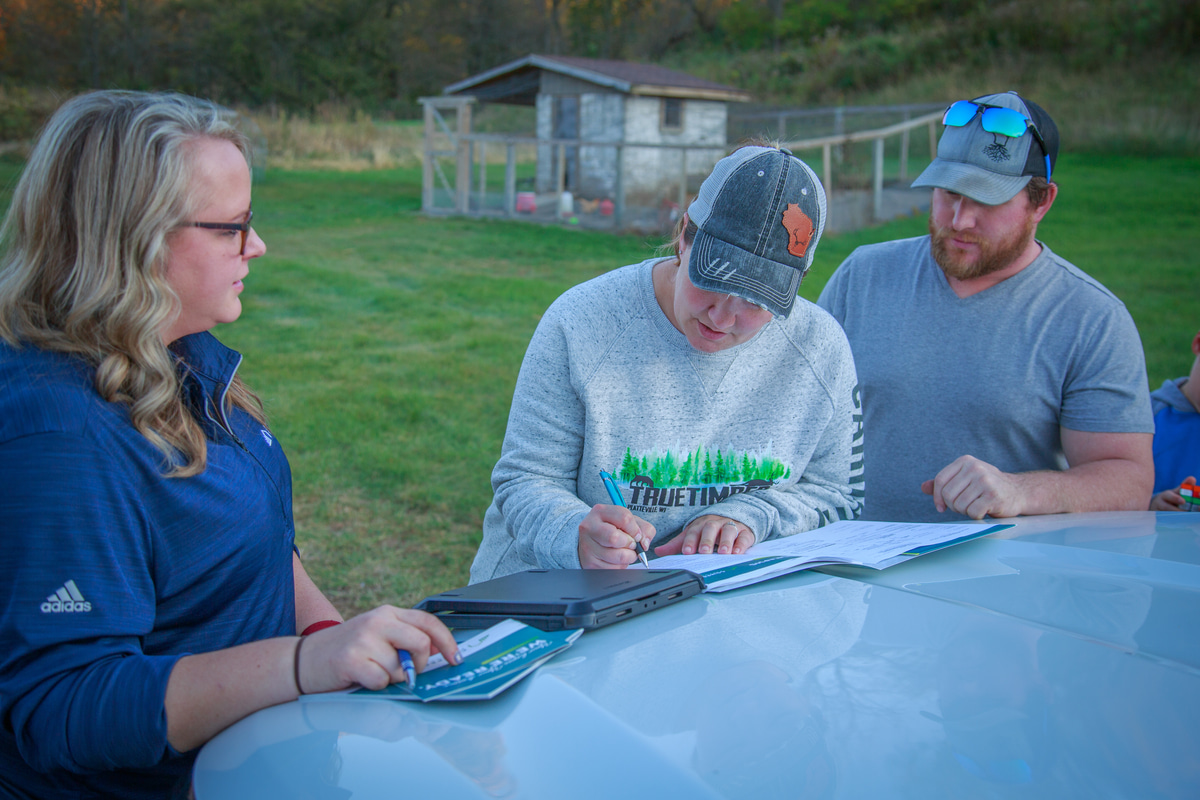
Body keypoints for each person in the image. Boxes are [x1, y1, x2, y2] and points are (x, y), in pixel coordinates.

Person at [0, 91, 460, 799]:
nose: (258, 246)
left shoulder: (184, 356)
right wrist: (303, 665)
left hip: (269, 763)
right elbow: (64, 706)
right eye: (233, 228)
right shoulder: (60, 435)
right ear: (137, 238)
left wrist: (338, 645)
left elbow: (264, 544)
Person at [471, 143, 864, 582]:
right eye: (713, 280)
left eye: (757, 300)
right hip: (548, 597)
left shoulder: (820, 348)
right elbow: (525, 478)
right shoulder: (582, 322)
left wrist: (753, 516)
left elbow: (838, 496)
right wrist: (574, 535)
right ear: (683, 236)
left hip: (714, 612)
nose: (723, 316)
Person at [817, 91, 1154, 523]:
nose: (959, 220)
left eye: (986, 200)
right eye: (948, 193)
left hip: (1003, 583)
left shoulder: (1092, 320)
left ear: (1042, 201)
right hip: (851, 570)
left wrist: (1022, 490)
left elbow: (1129, 481)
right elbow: (796, 412)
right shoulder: (863, 275)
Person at [1148, 328, 1200, 511]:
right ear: (1198, 343)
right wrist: (1151, 504)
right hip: (1149, 534)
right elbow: (1110, 487)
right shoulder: (1146, 416)